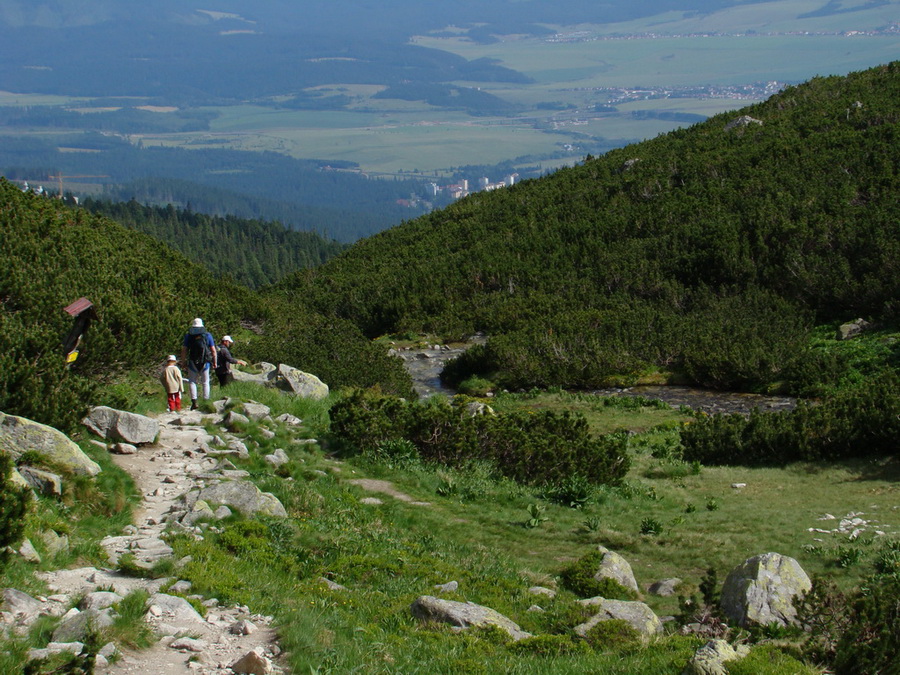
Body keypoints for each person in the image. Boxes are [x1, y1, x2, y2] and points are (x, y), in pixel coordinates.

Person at [180, 318, 217, 410]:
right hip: (205, 362)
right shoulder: (207, 335)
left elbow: (184, 350)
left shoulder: (188, 336)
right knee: (205, 382)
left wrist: (183, 362)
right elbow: (213, 350)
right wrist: (215, 362)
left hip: (192, 361)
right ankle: (206, 401)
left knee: (192, 382)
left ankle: (194, 402)